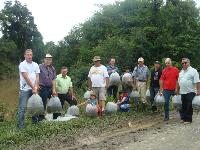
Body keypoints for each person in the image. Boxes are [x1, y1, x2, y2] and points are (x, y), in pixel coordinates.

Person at [17, 49, 40, 128]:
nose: (29, 56)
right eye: (28, 55)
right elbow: (26, 78)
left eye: (31, 55)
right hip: (24, 90)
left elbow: (37, 76)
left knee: (35, 106)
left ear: (32, 55)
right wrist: (34, 87)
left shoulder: (36, 65)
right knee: (22, 108)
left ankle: (35, 122)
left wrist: (36, 87)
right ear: (25, 55)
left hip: (34, 89)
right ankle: (21, 126)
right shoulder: (22, 64)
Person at [34, 53, 57, 121]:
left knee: (54, 102)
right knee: (43, 103)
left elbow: (54, 80)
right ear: (44, 59)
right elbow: (36, 75)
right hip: (42, 88)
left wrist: (54, 90)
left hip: (50, 88)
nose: (48, 61)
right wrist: (36, 85)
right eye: (47, 59)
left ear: (51, 61)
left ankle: (54, 116)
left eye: (49, 59)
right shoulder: (39, 66)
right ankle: (41, 118)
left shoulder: (53, 69)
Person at [177, 58, 200, 124]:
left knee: (189, 106)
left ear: (189, 63)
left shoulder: (193, 71)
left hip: (191, 91)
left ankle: (188, 119)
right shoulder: (181, 72)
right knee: (183, 105)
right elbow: (179, 82)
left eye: (185, 62)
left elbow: (198, 81)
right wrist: (177, 90)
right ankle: (183, 118)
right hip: (182, 91)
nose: (184, 64)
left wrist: (198, 91)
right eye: (182, 63)